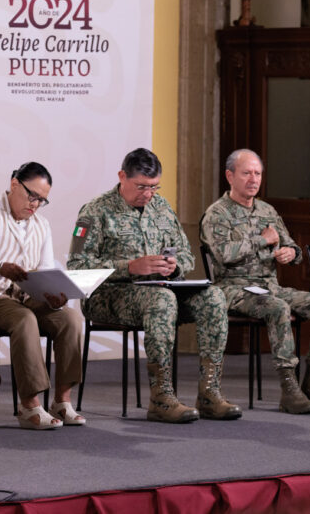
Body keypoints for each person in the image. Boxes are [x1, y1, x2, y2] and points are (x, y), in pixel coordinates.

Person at [67, 148, 241, 423]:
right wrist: (130, 267)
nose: (148, 194)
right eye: (141, 187)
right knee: (161, 301)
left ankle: (209, 393)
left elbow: (185, 253)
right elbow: (77, 266)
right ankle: (161, 397)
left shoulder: (161, 208)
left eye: (153, 187)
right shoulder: (95, 211)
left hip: (162, 290)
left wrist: (175, 265)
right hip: (109, 295)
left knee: (214, 297)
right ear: (122, 176)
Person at [200, 149, 310, 414]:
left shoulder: (267, 210)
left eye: (258, 173)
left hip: (269, 286)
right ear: (230, 176)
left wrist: (291, 253)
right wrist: (261, 240)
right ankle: (289, 388)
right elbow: (223, 255)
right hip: (233, 288)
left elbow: (291, 247)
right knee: (277, 308)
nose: (253, 179)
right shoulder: (217, 214)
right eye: (246, 173)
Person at [0, 162, 85, 430]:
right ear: (14, 184)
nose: (35, 204)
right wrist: (0, 267)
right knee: (24, 320)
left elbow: (45, 269)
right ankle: (29, 406)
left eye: (42, 200)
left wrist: (54, 294)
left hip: (25, 295)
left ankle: (62, 401)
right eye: (31, 195)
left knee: (69, 317)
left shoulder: (41, 225)